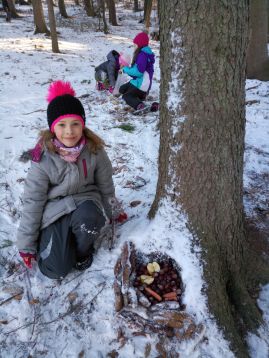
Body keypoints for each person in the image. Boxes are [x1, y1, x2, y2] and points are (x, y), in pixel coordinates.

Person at [16, 80, 127, 279]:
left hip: (86, 204)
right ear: (52, 128)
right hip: (55, 212)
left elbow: (106, 185)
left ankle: (83, 250)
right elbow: (33, 201)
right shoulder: (42, 158)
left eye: (75, 123)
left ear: (83, 125)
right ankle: (58, 244)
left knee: (90, 218)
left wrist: (114, 211)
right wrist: (27, 245)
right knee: (55, 269)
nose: (69, 131)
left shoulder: (94, 151)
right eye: (62, 125)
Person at [119, 32, 158, 112]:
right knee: (121, 89)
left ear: (140, 45)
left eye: (135, 45)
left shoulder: (143, 55)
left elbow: (139, 72)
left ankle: (140, 106)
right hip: (138, 82)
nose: (134, 47)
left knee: (126, 96)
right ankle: (138, 97)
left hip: (141, 85)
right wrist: (128, 70)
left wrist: (126, 69)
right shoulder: (142, 54)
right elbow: (136, 73)